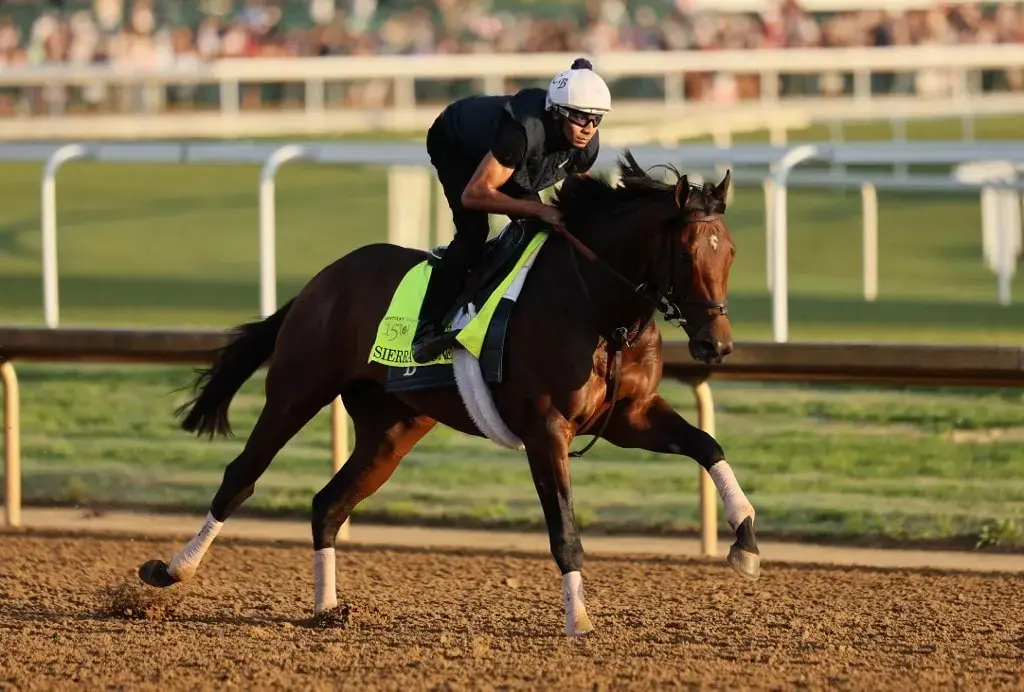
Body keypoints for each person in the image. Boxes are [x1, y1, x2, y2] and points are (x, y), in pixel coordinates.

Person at [409, 57, 612, 364]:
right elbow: (474, 194)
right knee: (474, 234)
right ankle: (426, 329)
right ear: (557, 113)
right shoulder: (520, 134)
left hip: (513, 161)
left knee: (543, 233)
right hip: (457, 142)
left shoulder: (586, 146)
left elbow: (575, 199)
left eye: (596, 120)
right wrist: (538, 210)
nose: (589, 129)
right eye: (581, 118)